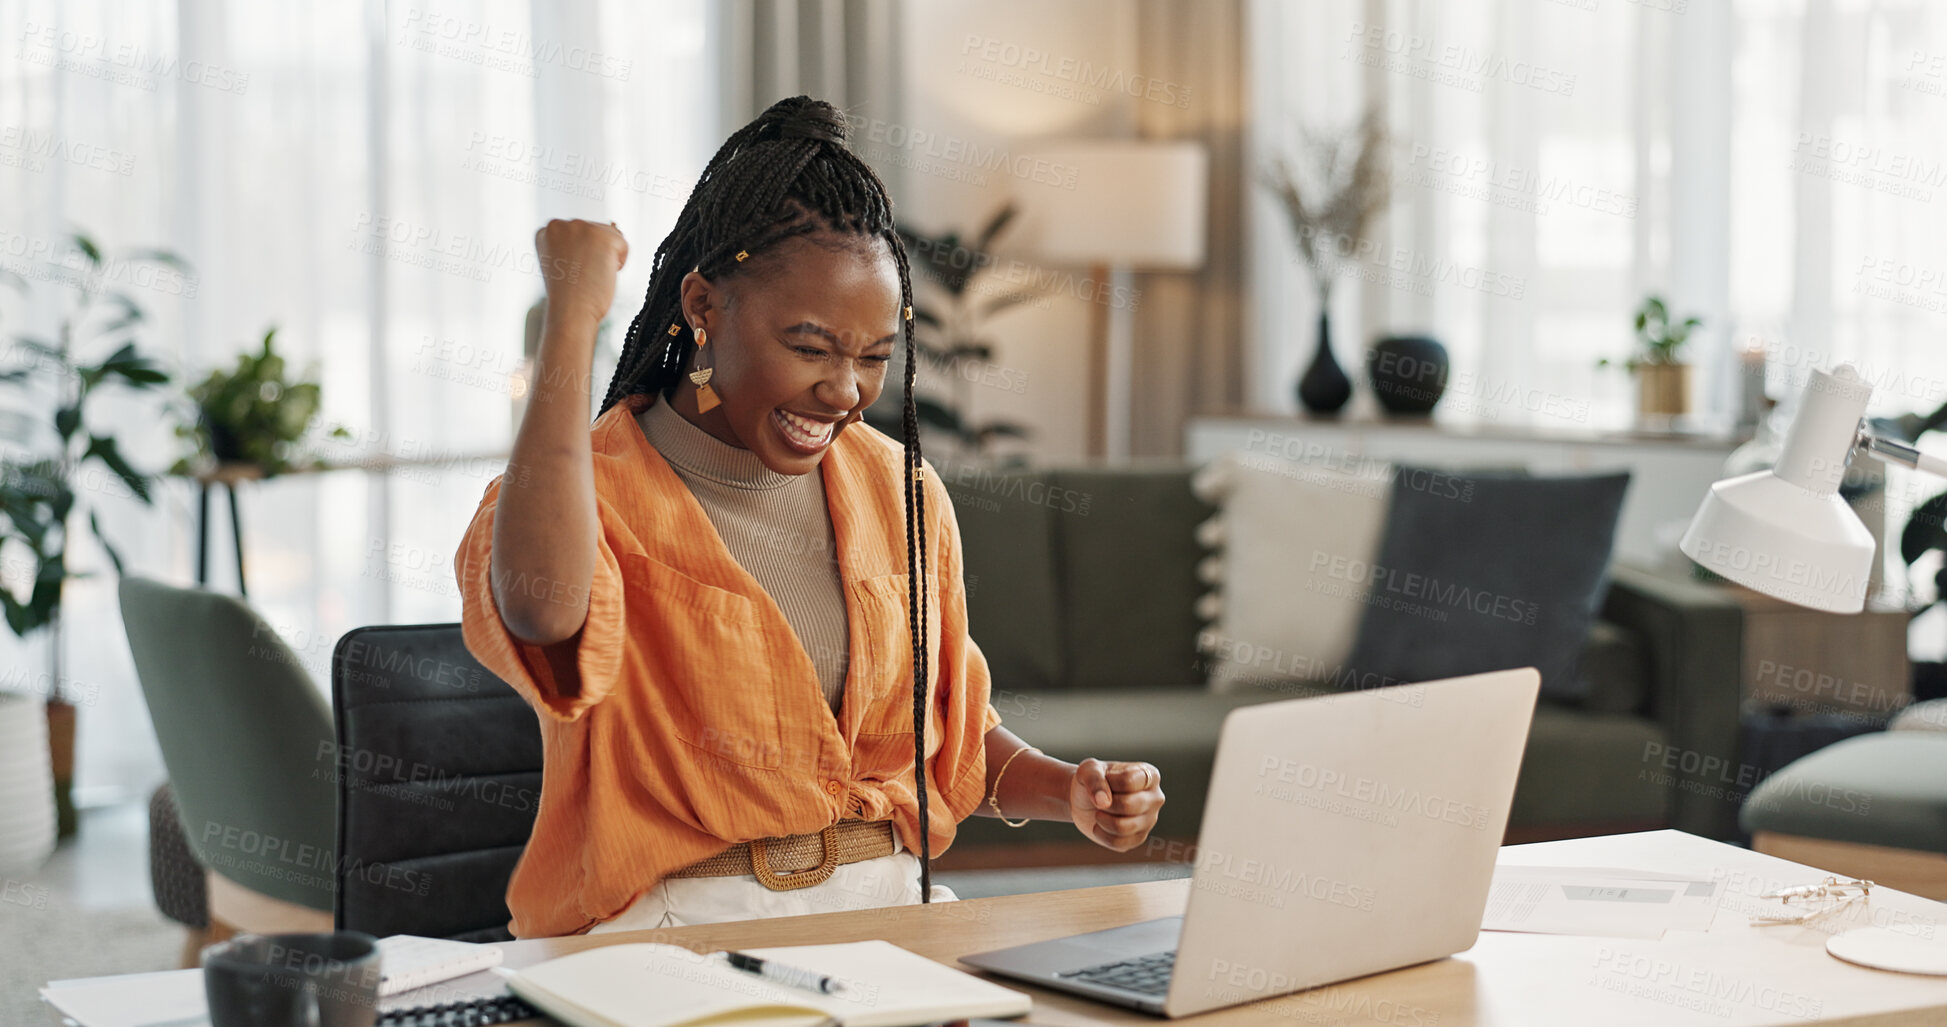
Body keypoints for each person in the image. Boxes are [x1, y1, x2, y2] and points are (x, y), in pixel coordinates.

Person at [455, 95, 1164, 938]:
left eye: (873, 357)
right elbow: (539, 609)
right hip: (678, 929)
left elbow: (951, 734)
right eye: (810, 347)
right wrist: (570, 318)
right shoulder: (595, 493)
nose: (846, 391)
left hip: (891, 914)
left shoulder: (896, 485)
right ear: (703, 307)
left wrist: (1070, 792)